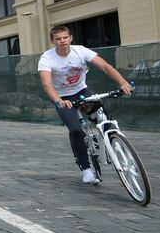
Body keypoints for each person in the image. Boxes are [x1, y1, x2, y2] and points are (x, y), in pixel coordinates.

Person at [38, 25, 133, 184]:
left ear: (70, 38)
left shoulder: (81, 51)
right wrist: (59, 101)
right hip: (63, 98)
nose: (62, 41)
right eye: (58, 39)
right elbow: (47, 84)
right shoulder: (46, 58)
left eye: (65, 37)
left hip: (82, 92)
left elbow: (104, 66)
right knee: (75, 130)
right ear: (52, 41)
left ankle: (113, 144)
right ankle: (86, 169)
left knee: (103, 117)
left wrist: (122, 82)